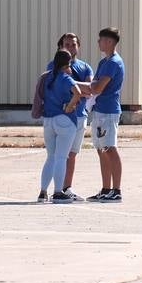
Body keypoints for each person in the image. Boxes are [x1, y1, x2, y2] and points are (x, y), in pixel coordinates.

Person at [45, 33, 93, 200]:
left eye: (73, 44)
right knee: (57, 155)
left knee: (72, 154)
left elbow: (91, 88)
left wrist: (72, 84)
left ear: (78, 46)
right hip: (60, 116)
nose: (70, 47)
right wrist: (77, 86)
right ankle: (53, 190)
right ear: (60, 47)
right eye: (66, 44)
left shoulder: (85, 67)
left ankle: (66, 188)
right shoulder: (52, 65)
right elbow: (52, 83)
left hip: (79, 115)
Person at [37, 49, 82, 203]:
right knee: (62, 157)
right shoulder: (66, 78)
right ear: (67, 63)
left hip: (48, 120)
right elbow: (77, 92)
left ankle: (43, 192)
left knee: (50, 157)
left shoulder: (48, 77)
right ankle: (57, 192)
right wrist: (70, 106)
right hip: (64, 119)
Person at [88, 27, 125, 202]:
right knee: (101, 149)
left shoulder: (113, 63)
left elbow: (97, 87)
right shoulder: (104, 62)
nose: (98, 42)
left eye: (101, 39)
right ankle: (105, 188)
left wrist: (80, 87)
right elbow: (94, 84)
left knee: (110, 148)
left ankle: (116, 190)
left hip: (108, 111)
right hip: (99, 110)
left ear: (109, 42)